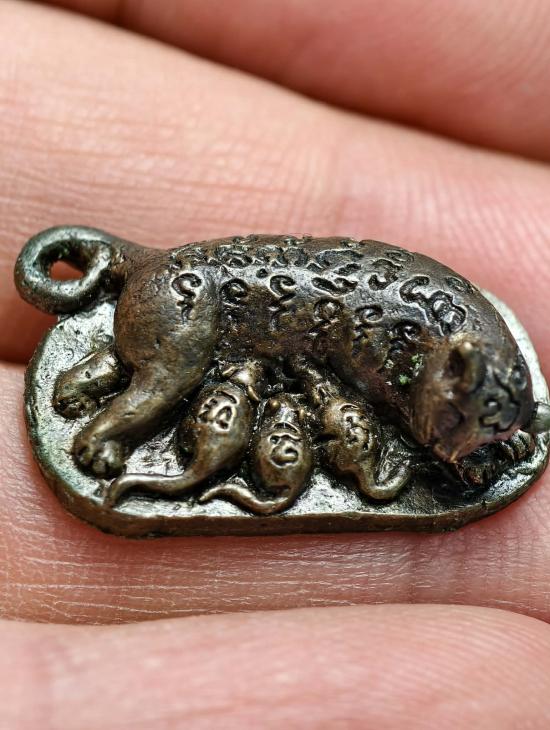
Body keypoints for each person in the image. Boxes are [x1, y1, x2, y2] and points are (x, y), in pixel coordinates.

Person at [1, 1, 550, 727]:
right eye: (455, 429)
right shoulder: (420, 360)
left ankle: (110, 372)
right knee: (170, 379)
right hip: (191, 295)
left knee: (171, 368)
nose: (452, 448)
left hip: (193, 297)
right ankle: (107, 431)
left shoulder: (455, 351)